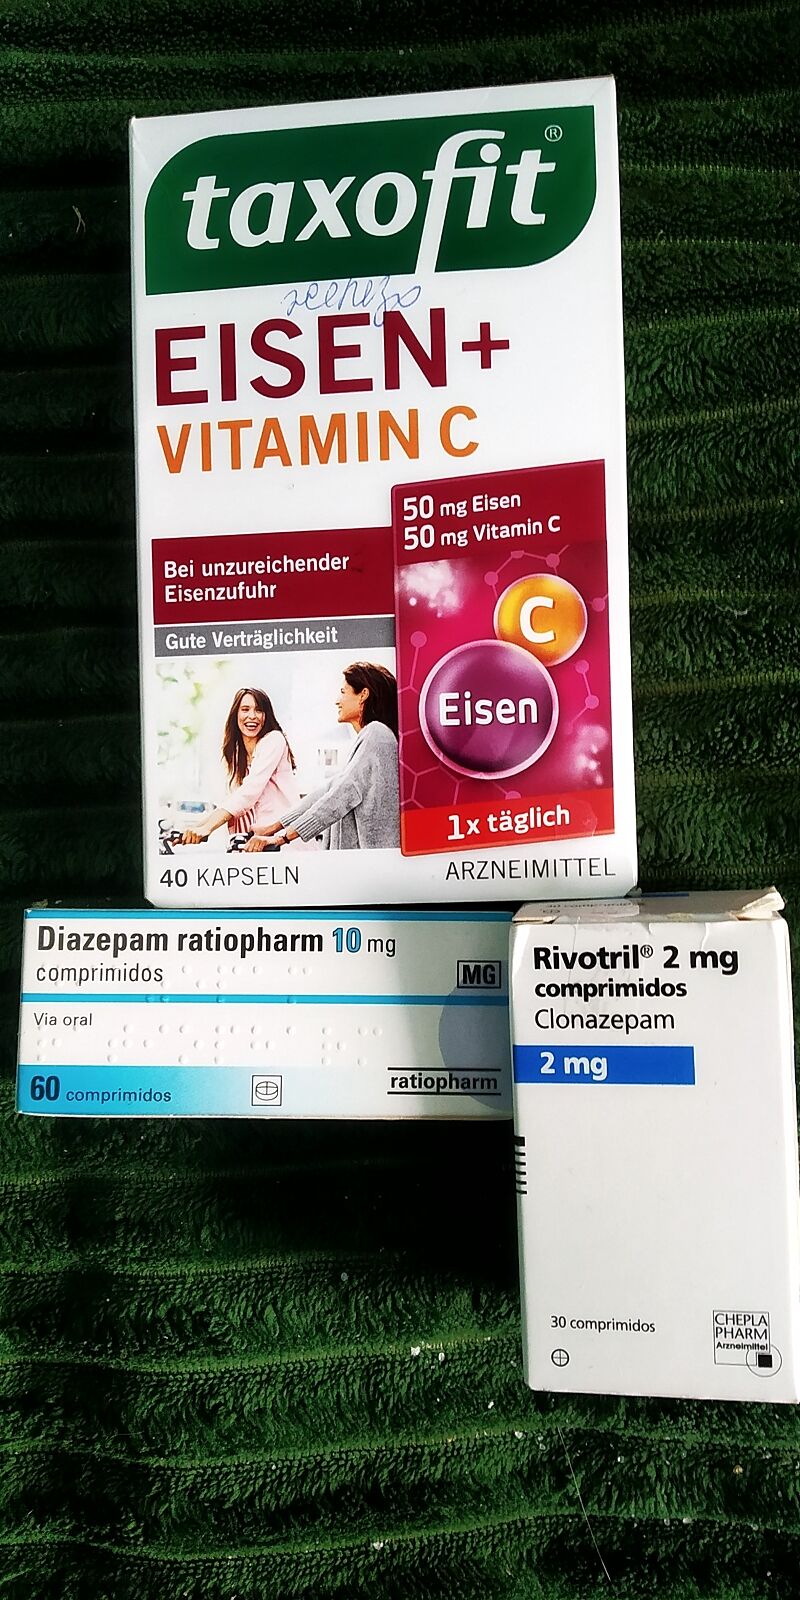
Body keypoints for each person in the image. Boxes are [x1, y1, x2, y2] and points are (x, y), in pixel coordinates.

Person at [245, 662, 399, 851]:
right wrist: (272, 828)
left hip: (370, 863)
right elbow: (329, 790)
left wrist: (281, 838)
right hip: (361, 862)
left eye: (343, 692)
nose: (337, 701)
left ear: (363, 695)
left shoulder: (377, 734)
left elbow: (342, 794)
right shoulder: (369, 739)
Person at [181, 687, 303, 846]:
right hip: (255, 845)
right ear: (236, 715)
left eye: (259, 710)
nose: (252, 716)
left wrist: (207, 828)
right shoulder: (237, 756)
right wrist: (194, 828)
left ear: (266, 716)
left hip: (285, 841)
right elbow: (231, 801)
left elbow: (249, 793)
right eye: (245, 709)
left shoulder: (274, 740)